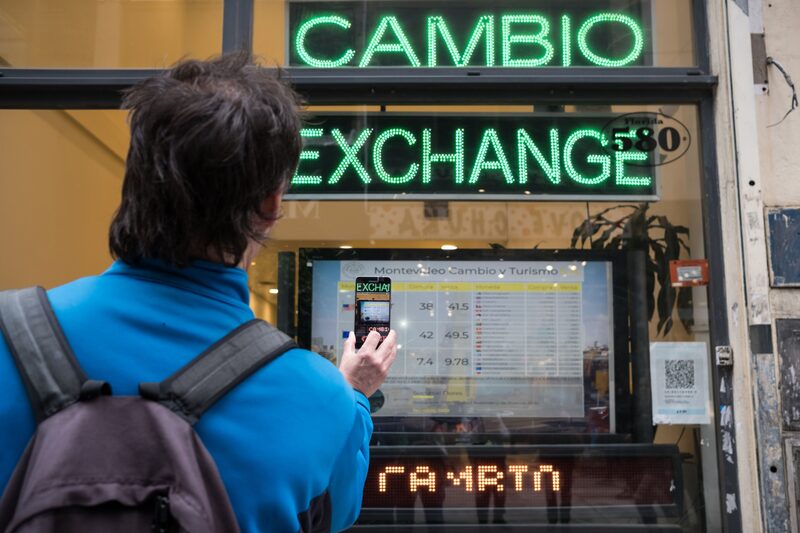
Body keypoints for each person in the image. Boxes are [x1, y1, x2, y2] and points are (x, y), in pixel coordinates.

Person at [0, 52, 397, 532]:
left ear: (136, 181)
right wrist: (354, 393)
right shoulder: (319, 398)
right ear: (272, 205)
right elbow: (338, 513)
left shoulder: (8, 337)